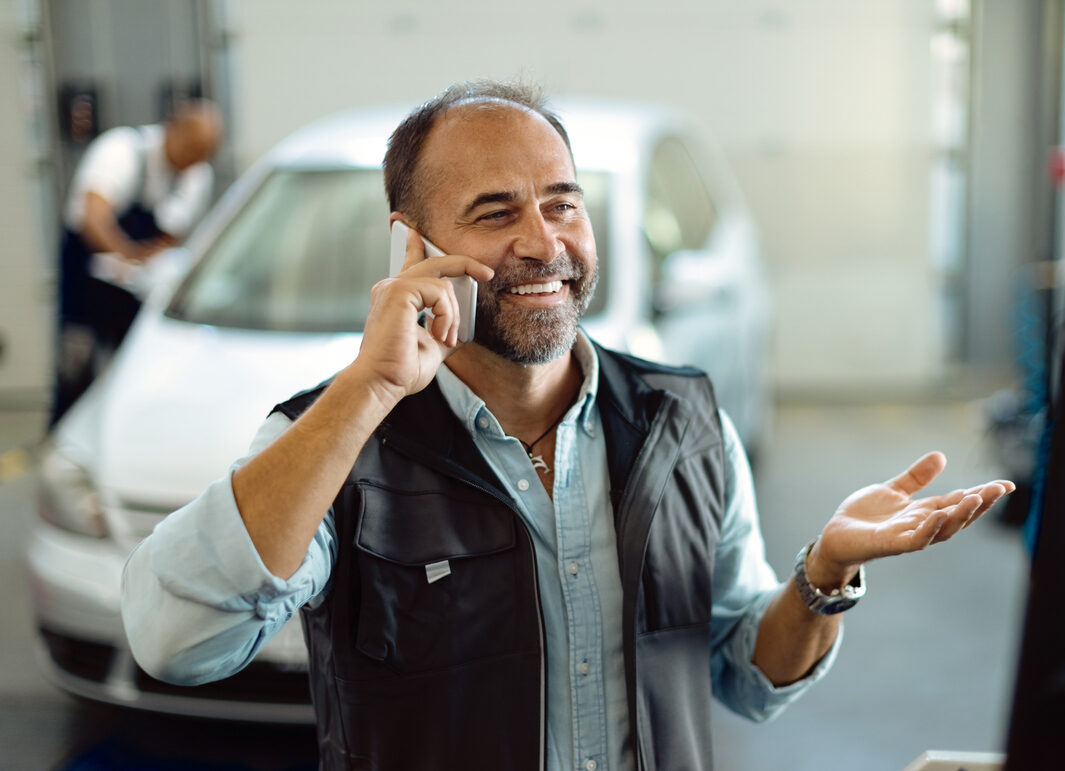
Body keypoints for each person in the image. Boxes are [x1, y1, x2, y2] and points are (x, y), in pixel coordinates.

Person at [120, 81, 1012, 770]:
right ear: (412, 246)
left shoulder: (683, 418)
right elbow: (175, 638)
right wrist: (367, 388)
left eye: (562, 201)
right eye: (496, 211)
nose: (545, 241)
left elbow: (744, 670)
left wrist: (825, 572)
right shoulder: (343, 440)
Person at [53, 99, 222, 424]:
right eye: (192, 149)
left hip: (136, 287)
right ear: (173, 129)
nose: (193, 161)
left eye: (203, 154)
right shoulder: (120, 151)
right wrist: (125, 254)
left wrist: (150, 260)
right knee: (77, 364)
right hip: (86, 277)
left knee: (130, 364)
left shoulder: (196, 173)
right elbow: (93, 217)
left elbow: (173, 233)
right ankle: (64, 436)